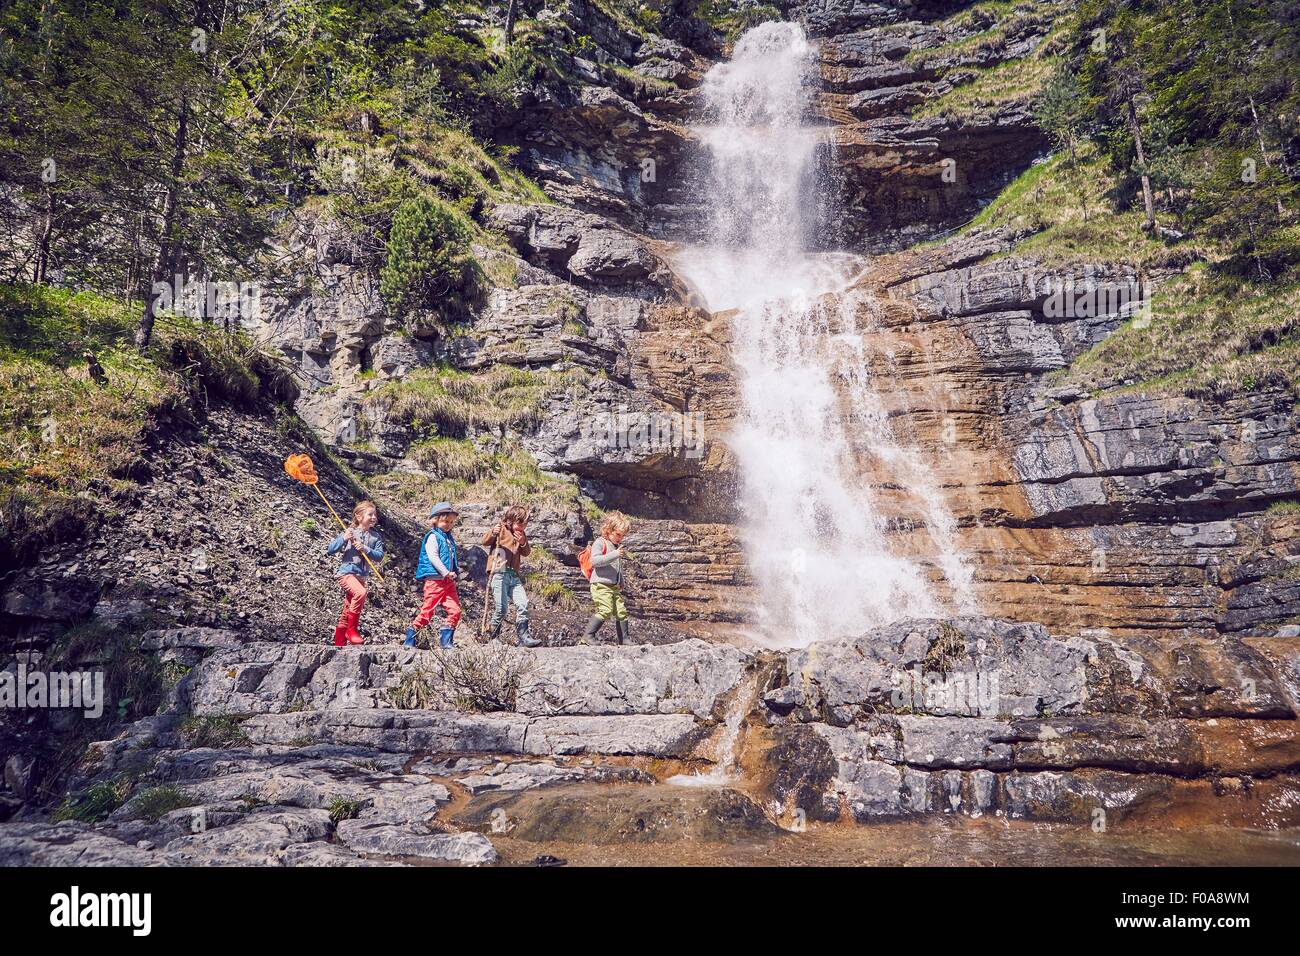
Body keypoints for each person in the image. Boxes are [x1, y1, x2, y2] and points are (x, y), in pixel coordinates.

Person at [481, 505, 541, 648]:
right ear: (511, 520)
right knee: (502, 607)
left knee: (523, 603)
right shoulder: (500, 528)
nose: (522, 527)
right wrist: (492, 532)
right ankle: (492, 636)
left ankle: (524, 637)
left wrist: (522, 542)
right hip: (499, 572)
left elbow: (526, 552)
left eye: (525, 524)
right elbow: (484, 541)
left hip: (513, 574)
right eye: (520, 524)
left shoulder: (521, 534)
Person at [404, 502, 462, 649]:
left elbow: (450, 558)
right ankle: (411, 637)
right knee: (428, 611)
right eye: (445, 521)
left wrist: (453, 573)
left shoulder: (448, 538)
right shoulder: (433, 537)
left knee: (455, 610)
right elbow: (433, 557)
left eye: (451, 522)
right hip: (435, 580)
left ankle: (446, 640)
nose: (448, 525)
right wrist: (446, 572)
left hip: (448, 581)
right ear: (435, 520)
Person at [325, 500, 384, 646]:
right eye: (370, 514)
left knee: (348, 609)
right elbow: (331, 549)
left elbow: (379, 556)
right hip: (346, 573)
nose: (373, 517)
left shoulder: (376, 537)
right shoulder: (350, 532)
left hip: (361, 577)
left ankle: (339, 643)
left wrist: (365, 549)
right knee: (360, 593)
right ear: (359, 517)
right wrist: (343, 539)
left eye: (375, 514)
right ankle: (352, 631)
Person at [580, 511, 631, 645]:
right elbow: (595, 561)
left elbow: (616, 567)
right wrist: (614, 554)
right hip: (600, 584)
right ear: (608, 530)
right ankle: (588, 636)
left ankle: (624, 639)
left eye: (623, 535)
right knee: (605, 609)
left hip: (613, 586)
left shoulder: (615, 546)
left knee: (621, 611)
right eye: (618, 534)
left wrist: (621, 580)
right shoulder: (600, 542)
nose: (620, 538)